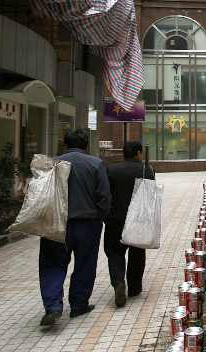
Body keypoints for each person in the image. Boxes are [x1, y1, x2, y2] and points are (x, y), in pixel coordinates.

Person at [39, 129, 111, 327]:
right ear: (86, 145)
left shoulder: (53, 164)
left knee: (52, 264)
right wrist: (101, 216)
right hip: (88, 223)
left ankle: (53, 306)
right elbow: (104, 196)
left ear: (65, 144)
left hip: (56, 224)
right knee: (85, 264)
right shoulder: (95, 164)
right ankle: (79, 304)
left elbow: (41, 195)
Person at [105, 141, 155, 307]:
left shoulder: (111, 170)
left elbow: (106, 195)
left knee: (115, 252)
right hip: (138, 219)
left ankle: (118, 281)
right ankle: (134, 287)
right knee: (137, 252)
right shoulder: (146, 170)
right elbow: (151, 196)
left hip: (116, 219)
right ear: (138, 153)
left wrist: (106, 216)